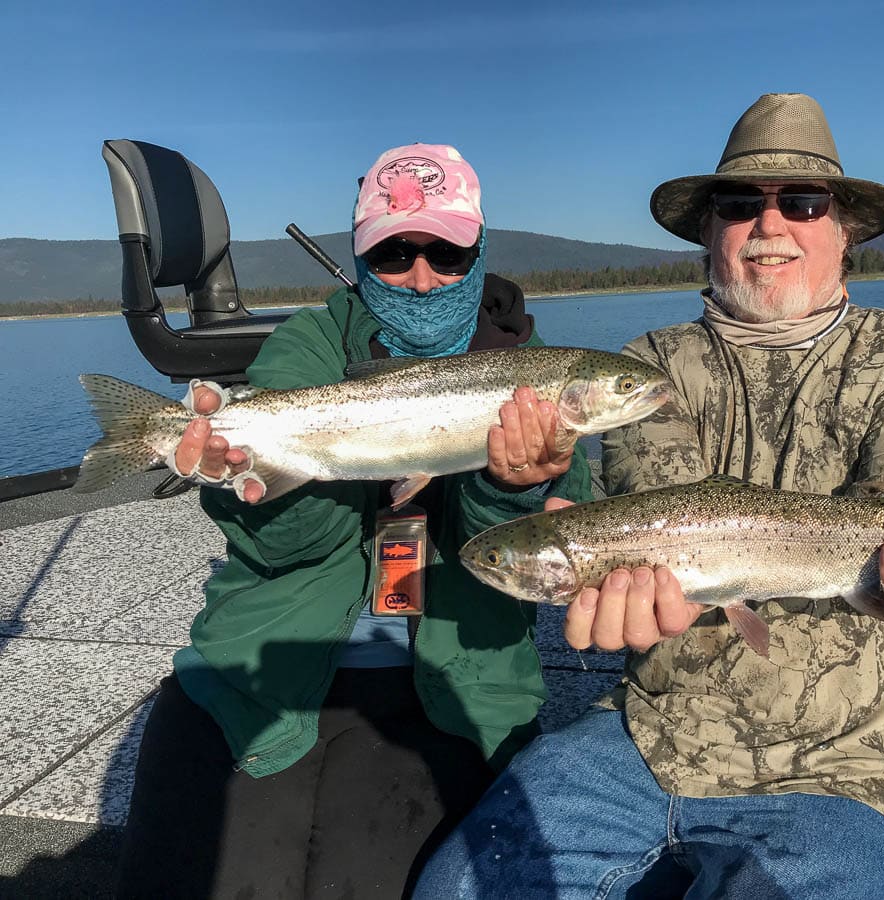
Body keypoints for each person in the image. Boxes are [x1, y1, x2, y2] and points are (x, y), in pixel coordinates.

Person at [415, 95, 884, 899]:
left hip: (855, 763)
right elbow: (669, 538)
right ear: (710, 232)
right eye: (741, 205)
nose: (771, 226)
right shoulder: (647, 370)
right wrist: (622, 589)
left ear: (846, 232)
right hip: (654, 736)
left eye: (803, 204)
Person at [115, 143, 593, 898]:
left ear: (479, 250)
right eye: (395, 252)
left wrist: (513, 492)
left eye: (446, 252)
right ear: (363, 258)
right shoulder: (307, 344)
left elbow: (541, 563)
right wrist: (242, 472)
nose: (422, 276)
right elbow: (291, 547)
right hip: (272, 669)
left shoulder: (535, 372)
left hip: (457, 688)